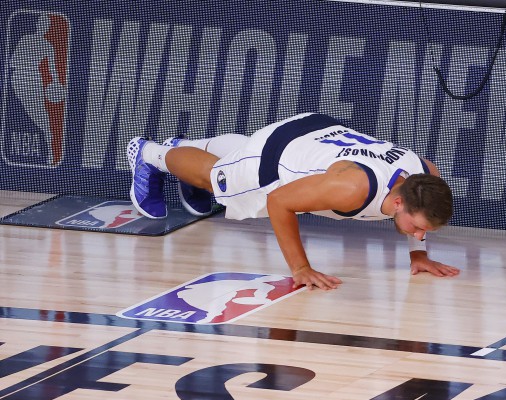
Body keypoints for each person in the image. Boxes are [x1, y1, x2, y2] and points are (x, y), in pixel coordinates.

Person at [126, 112, 460, 290]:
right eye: (417, 230)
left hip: (318, 132)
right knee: (217, 180)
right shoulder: (352, 189)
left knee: (240, 157)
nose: (419, 234)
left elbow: (421, 209)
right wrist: (301, 269)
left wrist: (419, 255)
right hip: (279, 154)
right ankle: (149, 153)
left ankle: (187, 146)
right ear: (399, 203)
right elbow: (279, 202)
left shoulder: (426, 174)